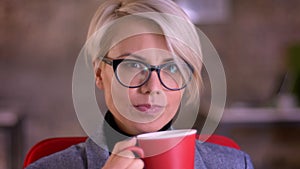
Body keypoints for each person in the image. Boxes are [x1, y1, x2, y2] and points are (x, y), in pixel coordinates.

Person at [26, 0, 254, 168]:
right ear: (99, 73)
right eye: (133, 65)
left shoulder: (235, 164)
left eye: (172, 68)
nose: (152, 87)